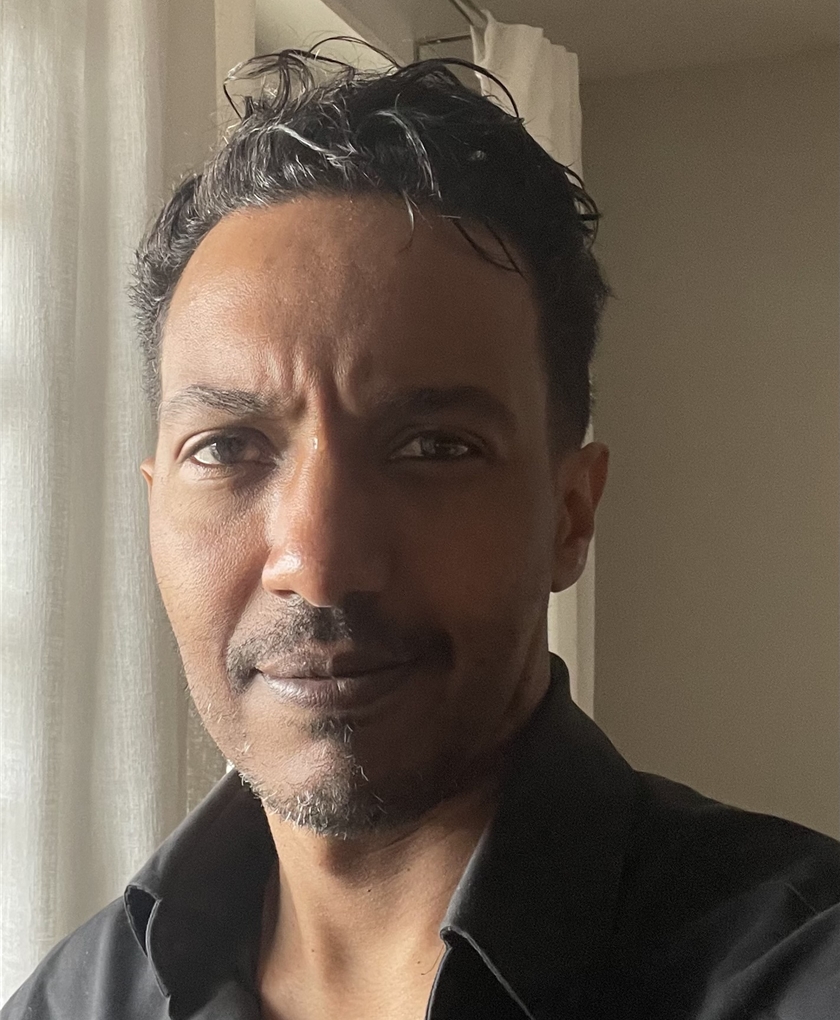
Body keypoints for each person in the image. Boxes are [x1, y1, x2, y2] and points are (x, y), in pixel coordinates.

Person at [3, 45, 838, 1020]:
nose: (318, 564)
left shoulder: (794, 974)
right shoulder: (73, 1003)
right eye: (227, 448)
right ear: (154, 505)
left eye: (435, 447)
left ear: (572, 514)